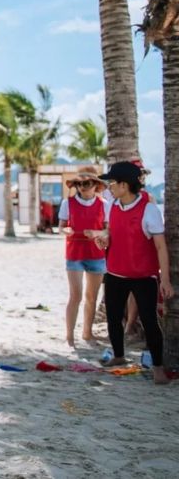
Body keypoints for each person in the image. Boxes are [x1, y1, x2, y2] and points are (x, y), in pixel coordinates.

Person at [98, 162, 173, 384]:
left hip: (144, 276)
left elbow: (160, 247)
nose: (109, 187)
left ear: (124, 185)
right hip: (115, 273)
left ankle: (158, 367)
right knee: (113, 317)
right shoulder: (113, 206)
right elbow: (111, 231)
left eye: (112, 183)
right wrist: (105, 238)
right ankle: (119, 355)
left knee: (150, 321)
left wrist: (165, 280)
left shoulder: (149, 210)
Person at [57, 166, 107, 347]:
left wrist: (96, 233)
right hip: (74, 254)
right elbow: (61, 227)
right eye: (79, 184)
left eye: (86, 184)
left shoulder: (104, 204)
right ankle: (69, 336)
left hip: (96, 255)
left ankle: (87, 332)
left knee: (91, 297)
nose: (82, 187)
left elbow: (108, 230)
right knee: (75, 296)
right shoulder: (67, 203)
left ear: (95, 185)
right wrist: (65, 230)